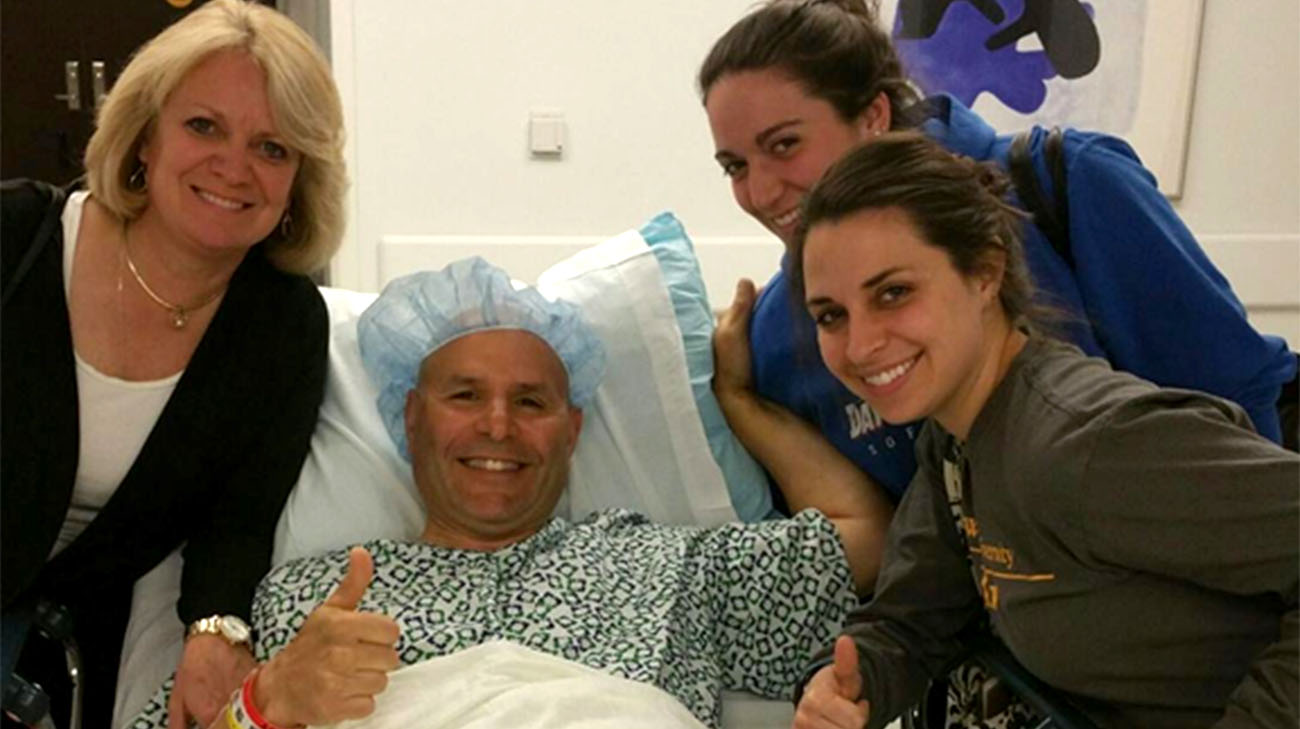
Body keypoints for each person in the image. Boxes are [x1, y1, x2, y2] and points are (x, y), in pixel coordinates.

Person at [126, 256, 884, 729]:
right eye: (464, 396)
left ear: (573, 427)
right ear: (410, 417)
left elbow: (864, 535)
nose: (498, 425)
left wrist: (740, 405)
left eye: (531, 402)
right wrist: (268, 703)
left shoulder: (670, 567)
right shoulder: (309, 598)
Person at [698, 0, 1297, 580]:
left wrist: (1249, 609)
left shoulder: (1071, 187)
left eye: (785, 145)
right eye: (735, 167)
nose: (762, 193)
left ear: (986, 273)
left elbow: (1241, 402)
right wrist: (742, 400)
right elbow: (893, 551)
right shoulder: (779, 334)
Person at [786, 133, 1299, 729]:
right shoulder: (954, 439)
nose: (861, 344)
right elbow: (917, 614)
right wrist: (847, 683)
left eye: (894, 293)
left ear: (984, 272)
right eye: (831, 315)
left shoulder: (1085, 445)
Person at [0, 1, 346, 726]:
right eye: (203, 126)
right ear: (145, 138)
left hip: (56, 660)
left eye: (273, 148)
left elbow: (240, 518)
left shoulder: (281, 325)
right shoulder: (16, 238)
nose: (234, 167)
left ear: (296, 184)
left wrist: (217, 629)